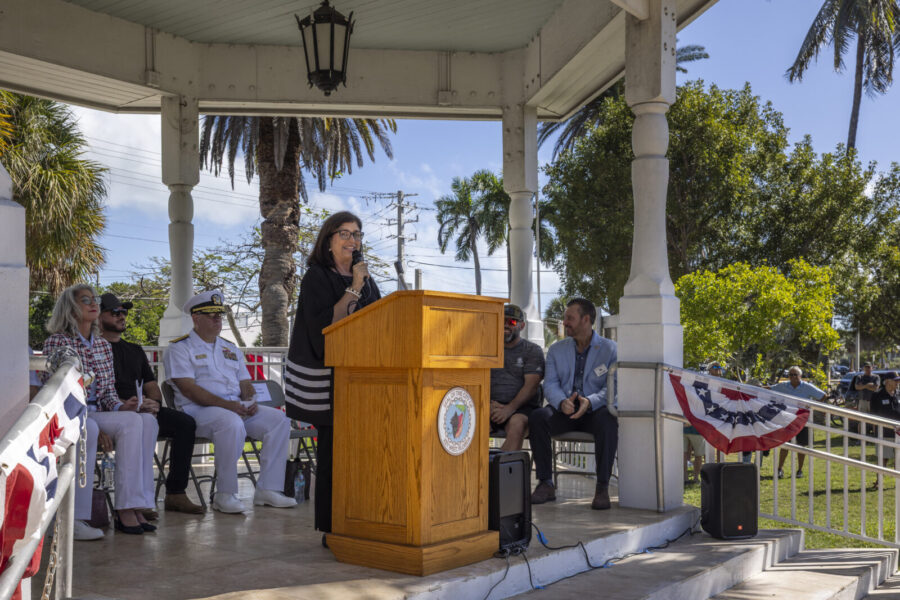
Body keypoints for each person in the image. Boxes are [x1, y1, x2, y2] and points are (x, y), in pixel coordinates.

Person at [285, 211, 382, 535]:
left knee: (361, 452)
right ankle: (331, 527)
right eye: (345, 233)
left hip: (361, 375)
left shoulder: (365, 277)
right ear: (328, 241)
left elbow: (382, 318)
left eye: (357, 234)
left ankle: (360, 516)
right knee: (334, 453)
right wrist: (354, 287)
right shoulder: (317, 276)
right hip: (325, 377)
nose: (352, 241)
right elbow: (327, 327)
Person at [163, 290, 297, 513]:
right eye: (211, 315)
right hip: (197, 411)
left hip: (235, 408)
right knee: (230, 422)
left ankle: (268, 489)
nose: (218, 319)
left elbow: (245, 382)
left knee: (278, 420)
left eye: (219, 314)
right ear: (196, 318)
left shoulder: (230, 348)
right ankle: (225, 494)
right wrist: (230, 407)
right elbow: (189, 389)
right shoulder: (179, 348)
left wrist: (250, 400)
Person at [42, 284, 159, 536]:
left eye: (94, 299)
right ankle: (74, 519)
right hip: (68, 412)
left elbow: (106, 394)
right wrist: (87, 418)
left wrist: (122, 406)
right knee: (91, 427)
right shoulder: (58, 341)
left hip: (97, 411)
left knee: (143, 421)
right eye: (86, 300)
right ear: (71, 307)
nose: (93, 303)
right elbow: (54, 389)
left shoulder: (103, 346)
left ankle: (130, 505)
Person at [98, 293, 203, 514]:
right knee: (141, 423)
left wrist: (153, 403)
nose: (121, 316)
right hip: (111, 411)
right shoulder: (94, 349)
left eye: (123, 312)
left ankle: (176, 493)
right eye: (114, 312)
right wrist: (123, 404)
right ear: (98, 317)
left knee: (184, 423)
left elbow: (152, 386)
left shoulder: (135, 350)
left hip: (142, 409)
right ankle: (136, 501)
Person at [529, 298, 617, 510]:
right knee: (538, 417)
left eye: (570, 318)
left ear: (586, 320)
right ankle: (546, 483)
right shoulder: (557, 349)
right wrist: (561, 402)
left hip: (594, 410)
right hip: (564, 409)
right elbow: (550, 383)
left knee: (608, 420)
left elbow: (613, 387)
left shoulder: (610, 349)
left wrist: (591, 402)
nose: (565, 322)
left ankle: (602, 487)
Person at [490, 304, 544, 451]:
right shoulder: (487, 349)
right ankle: (473, 470)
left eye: (512, 322)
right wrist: (487, 405)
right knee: (466, 421)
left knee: (517, 424)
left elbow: (531, 386)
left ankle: (499, 468)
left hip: (521, 408)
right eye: (502, 320)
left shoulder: (532, 350)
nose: (506, 325)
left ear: (522, 326)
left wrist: (509, 409)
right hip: (490, 406)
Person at [774, 366, 826, 478]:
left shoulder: (807, 387)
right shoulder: (783, 386)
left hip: (803, 420)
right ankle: (779, 469)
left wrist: (811, 405)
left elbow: (823, 395)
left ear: (800, 376)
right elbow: (769, 389)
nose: (793, 377)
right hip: (787, 419)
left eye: (795, 375)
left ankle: (799, 470)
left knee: (801, 446)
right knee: (785, 445)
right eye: (790, 375)